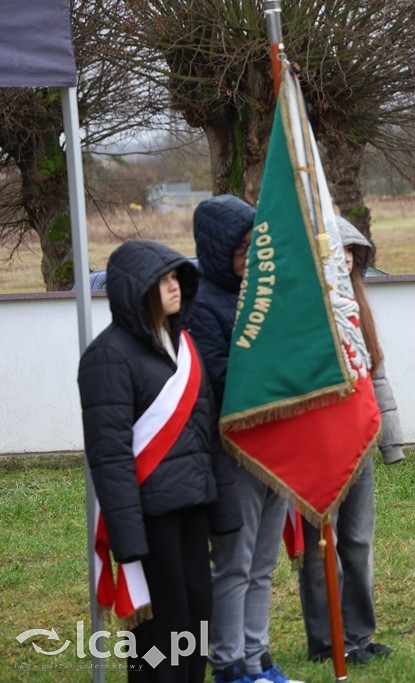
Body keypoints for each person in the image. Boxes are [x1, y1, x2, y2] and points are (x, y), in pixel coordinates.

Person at [78, 239, 241, 681]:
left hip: (193, 508)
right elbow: (109, 457)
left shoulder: (185, 345)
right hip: (149, 518)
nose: (174, 286)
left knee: (195, 618)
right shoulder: (107, 357)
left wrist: (224, 510)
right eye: (163, 279)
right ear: (138, 289)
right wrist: (129, 541)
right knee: (158, 634)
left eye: (176, 278)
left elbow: (207, 432)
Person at [189, 195, 300, 683]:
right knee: (234, 562)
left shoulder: (260, 292)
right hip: (234, 452)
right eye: (241, 245)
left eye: (257, 243)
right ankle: (228, 663)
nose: (250, 254)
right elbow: (218, 377)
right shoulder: (200, 304)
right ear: (217, 247)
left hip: (277, 447)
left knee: (263, 563)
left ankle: (258, 660)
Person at [296, 215, 399, 666]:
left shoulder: (358, 308)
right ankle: (327, 640)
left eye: (356, 253)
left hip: (358, 444)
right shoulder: (297, 313)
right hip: (315, 448)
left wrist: (389, 440)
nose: (350, 259)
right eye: (342, 252)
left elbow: (375, 374)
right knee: (321, 547)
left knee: (357, 542)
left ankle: (359, 634)